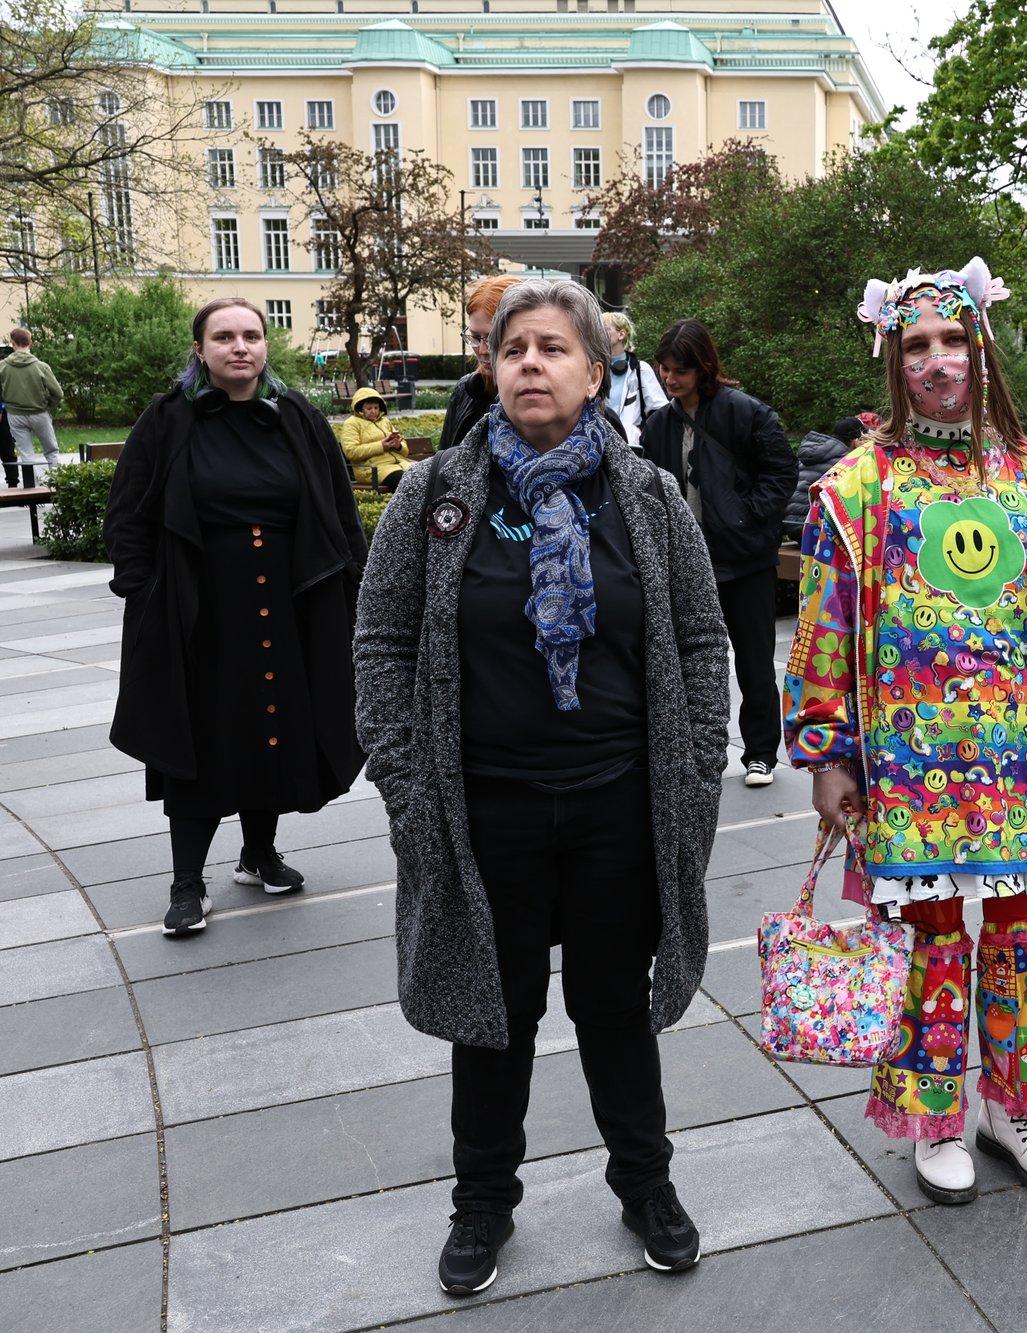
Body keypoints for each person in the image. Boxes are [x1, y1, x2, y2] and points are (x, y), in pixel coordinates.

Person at [353, 279, 730, 1297]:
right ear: (489, 367)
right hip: (484, 812)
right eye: (512, 347)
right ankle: (482, 1201)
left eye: (553, 348)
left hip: (618, 802)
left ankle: (645, 1183)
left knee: (613, 1005)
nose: (530, 363)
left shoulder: (647, 498)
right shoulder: (434, 495)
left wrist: (697, 773)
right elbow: (381, 642)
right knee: (493, 1013)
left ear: (597, 371)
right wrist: (402, 780)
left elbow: (700, 641)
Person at [787, 257, 1027, 1205]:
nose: (937, 359)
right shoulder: (855, 488)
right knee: (928, 938)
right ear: (892, 354)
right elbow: (821, 631)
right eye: (917, 341)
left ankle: (1018, 1112)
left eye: (953, 338)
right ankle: (935, 1120)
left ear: (983, 345)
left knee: (1025, 936)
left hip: (1020, 766)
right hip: (907, 767)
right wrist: (825, 752)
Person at [103, 298, 366, 938]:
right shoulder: (168, 420)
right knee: (200, 731)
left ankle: (258, 853)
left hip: (290, 600)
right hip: (200, 608)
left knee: (273, 723)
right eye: (224, 337)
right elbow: (128, 514)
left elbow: (336, 506)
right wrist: (145, 595)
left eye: (251, 335)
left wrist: (357, 592)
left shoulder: (296, 416)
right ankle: (187, 883)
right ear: (201, 350)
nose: (239, 347)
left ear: (265, 347)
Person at [638, 319, 796, 788]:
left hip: (744, 560)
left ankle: (761, 753)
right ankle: (691, 751)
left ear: (702, 367)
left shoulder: (745, 412)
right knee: (684, 662)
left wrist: (747, 520)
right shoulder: (659, 424)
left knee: (753, 659)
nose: (669, 379)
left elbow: (781, 472)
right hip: (685, 563)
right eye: (664, 370)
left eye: (679, 371)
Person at [440, 275, 523, 451]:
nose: (483, 350)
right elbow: (442, 464)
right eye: (476, 337)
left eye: (493, 338)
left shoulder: (538, 393)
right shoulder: (466, 390)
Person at [784, 414, 867, 542]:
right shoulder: (844, 462)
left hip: (790, 524)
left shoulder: (811, 456)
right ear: (854, 440)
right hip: (816, 530)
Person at [1, 328, 64, 483]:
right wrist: (48, 404)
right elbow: (58, 393)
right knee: (51, 451)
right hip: (39, 413)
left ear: (13, 343)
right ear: (30, 343)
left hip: (15, 415)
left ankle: (32, 489)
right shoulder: (41, 367)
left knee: (26, 454)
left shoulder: (3, 366)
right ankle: (57, 485)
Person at [602, 311, 666, 449]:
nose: (600, 333)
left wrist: (641, 434)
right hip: (599, 445)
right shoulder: (594, 370)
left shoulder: (640, 370)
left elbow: (661, 410)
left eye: (605, 329)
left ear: (621, 334)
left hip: (632, 447)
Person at [334, 387, 415, 491]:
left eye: (376, 408)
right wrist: (382, 446)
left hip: (399, 464)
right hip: (372, 470)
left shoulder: (384, 421)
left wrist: (398, 446)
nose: (373, 411)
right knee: (408, 480)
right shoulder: (351, 424)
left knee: (426, 475)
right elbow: (351, 452)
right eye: (369, 408)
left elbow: (405, 452)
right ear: (360, 408)